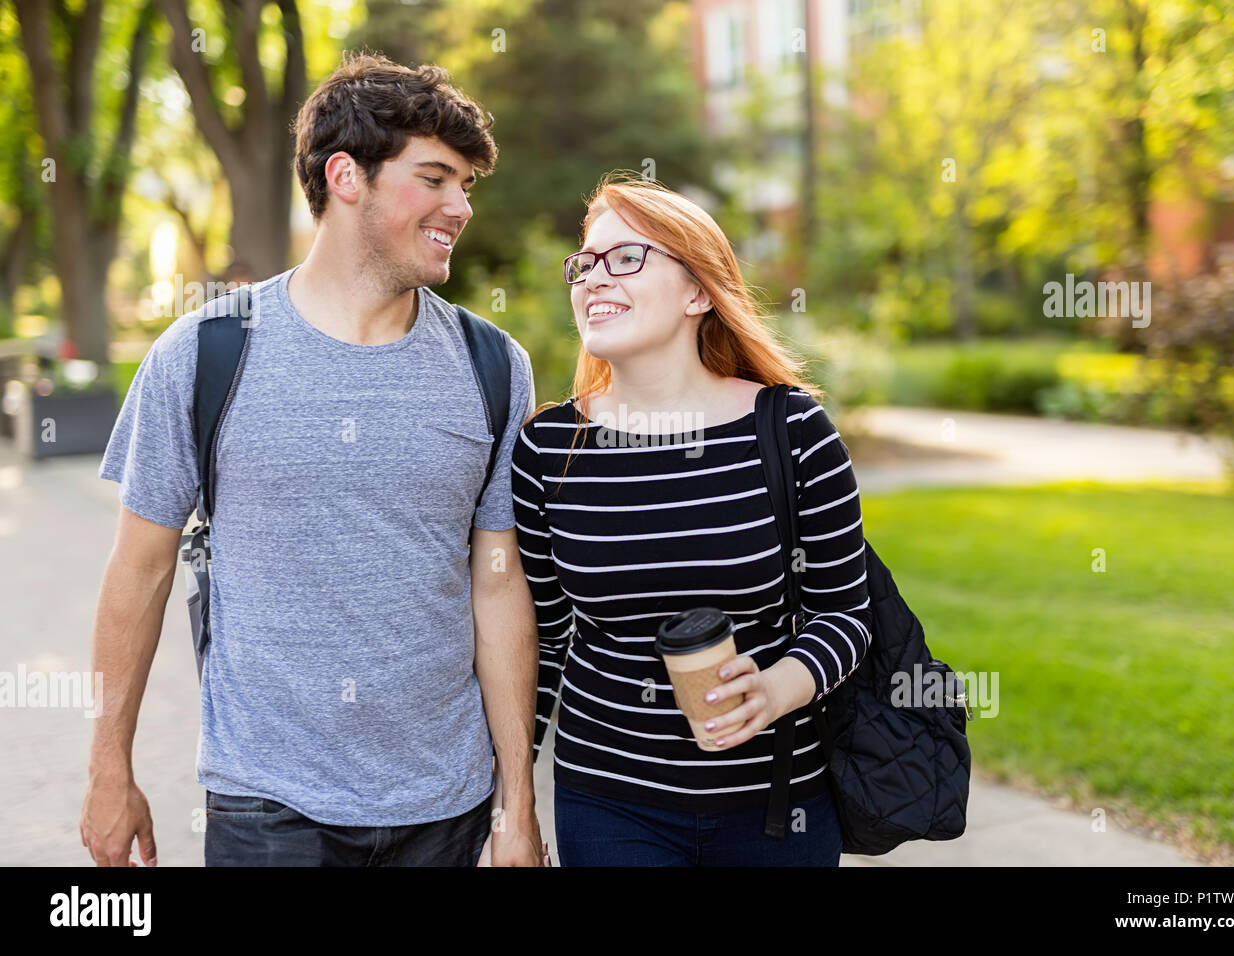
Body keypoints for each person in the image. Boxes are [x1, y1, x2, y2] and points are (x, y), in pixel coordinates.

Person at [83, 53, 545, 867]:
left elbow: (498, 584)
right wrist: (108, 768)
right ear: (347, 176)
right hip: (268, 805)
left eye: (467, 185)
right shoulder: (204, 353)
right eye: (435, 178)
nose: (460, 206)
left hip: (447, 806)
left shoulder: (493, 365)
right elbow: (140, 571)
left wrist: (518, 802)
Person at [511, 174, 873, 866]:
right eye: (584, 263)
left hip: (776, 806)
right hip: (609, 804)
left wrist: (775, 689)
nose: (592, 278)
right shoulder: (549, 448)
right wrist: (511, 804)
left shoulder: (791, 427)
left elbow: (844, 614)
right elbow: (543, 642)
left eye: (626, 258)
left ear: (699, 292)